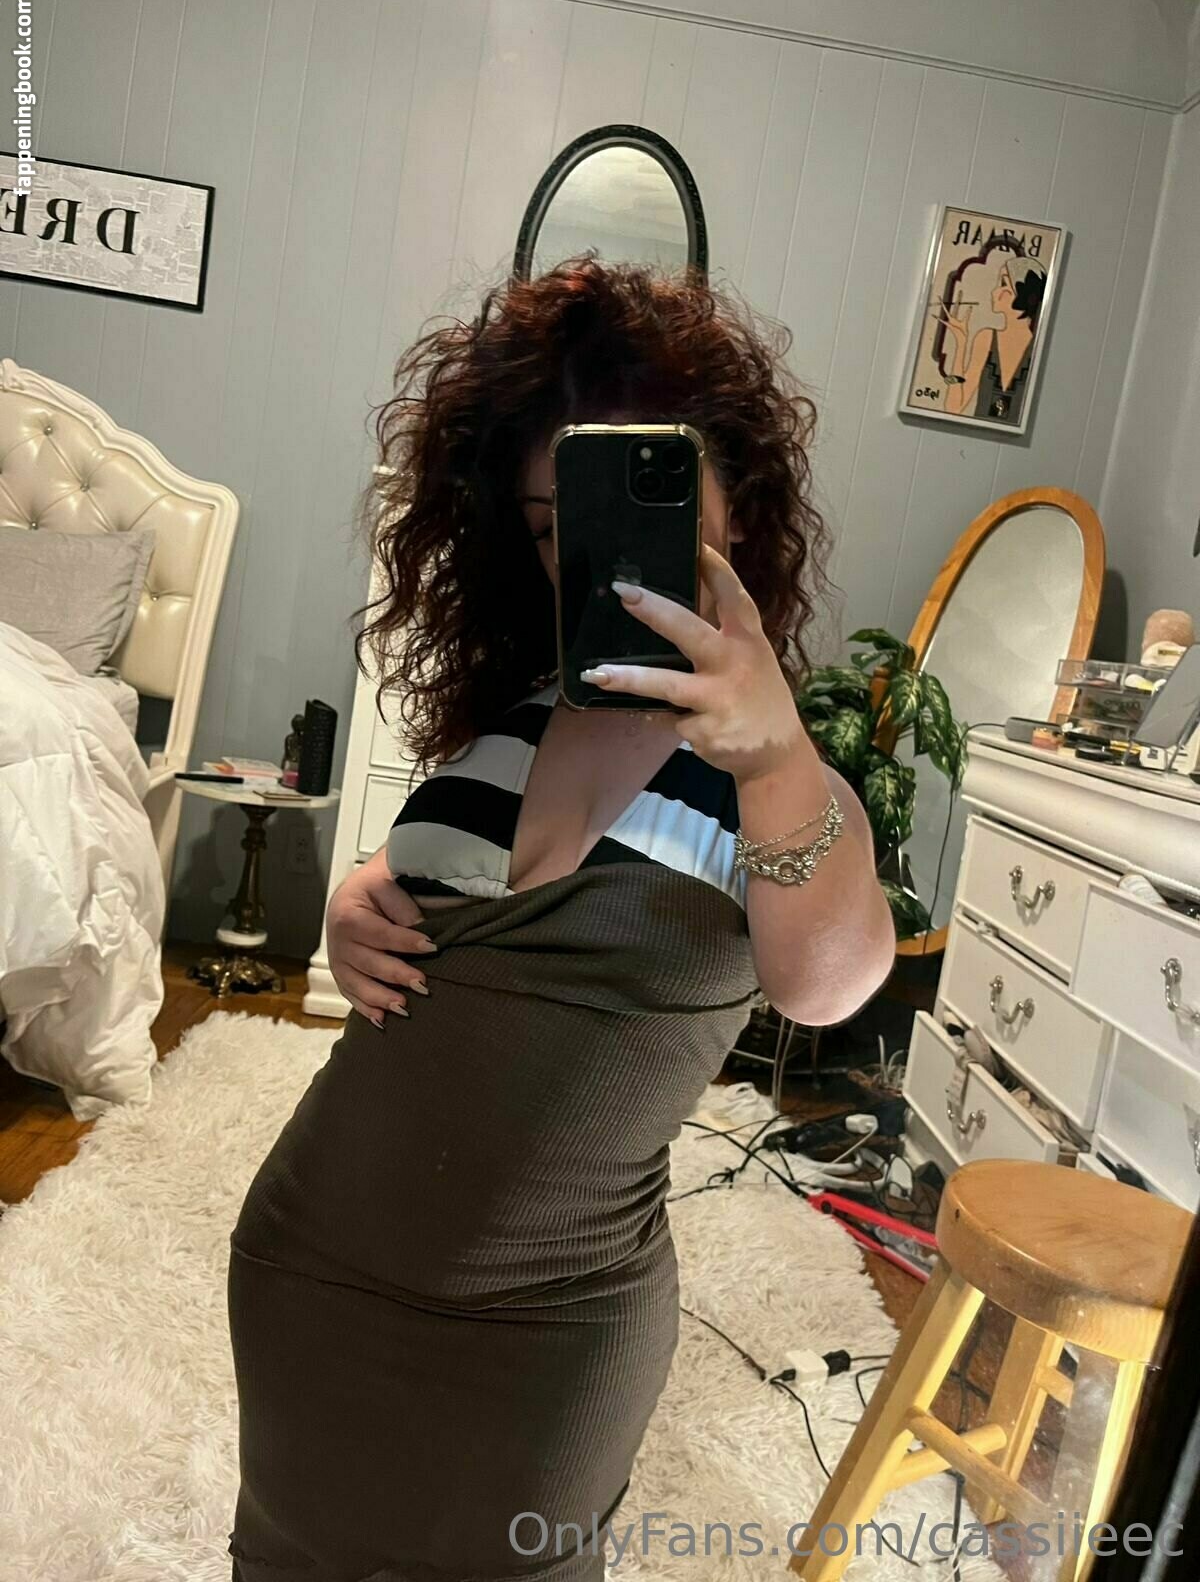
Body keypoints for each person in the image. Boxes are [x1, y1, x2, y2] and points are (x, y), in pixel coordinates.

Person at [225, 257, 894, 1582]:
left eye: (652, 507)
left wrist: (772, 755)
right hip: (312, 1274)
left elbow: (831, 983)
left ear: (741, 508)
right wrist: (361, 898)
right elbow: (427, 891)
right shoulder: (517, 716)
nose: (592, 555)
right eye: (551, 526)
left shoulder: (775, 768)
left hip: (546, 1330)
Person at [936, 250, 1047, 422]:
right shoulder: (986, 338)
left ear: (1022, 293)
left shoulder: (1040, 348)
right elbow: (954, 407)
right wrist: (961, 344)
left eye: (1003, 283)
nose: (995, 291)